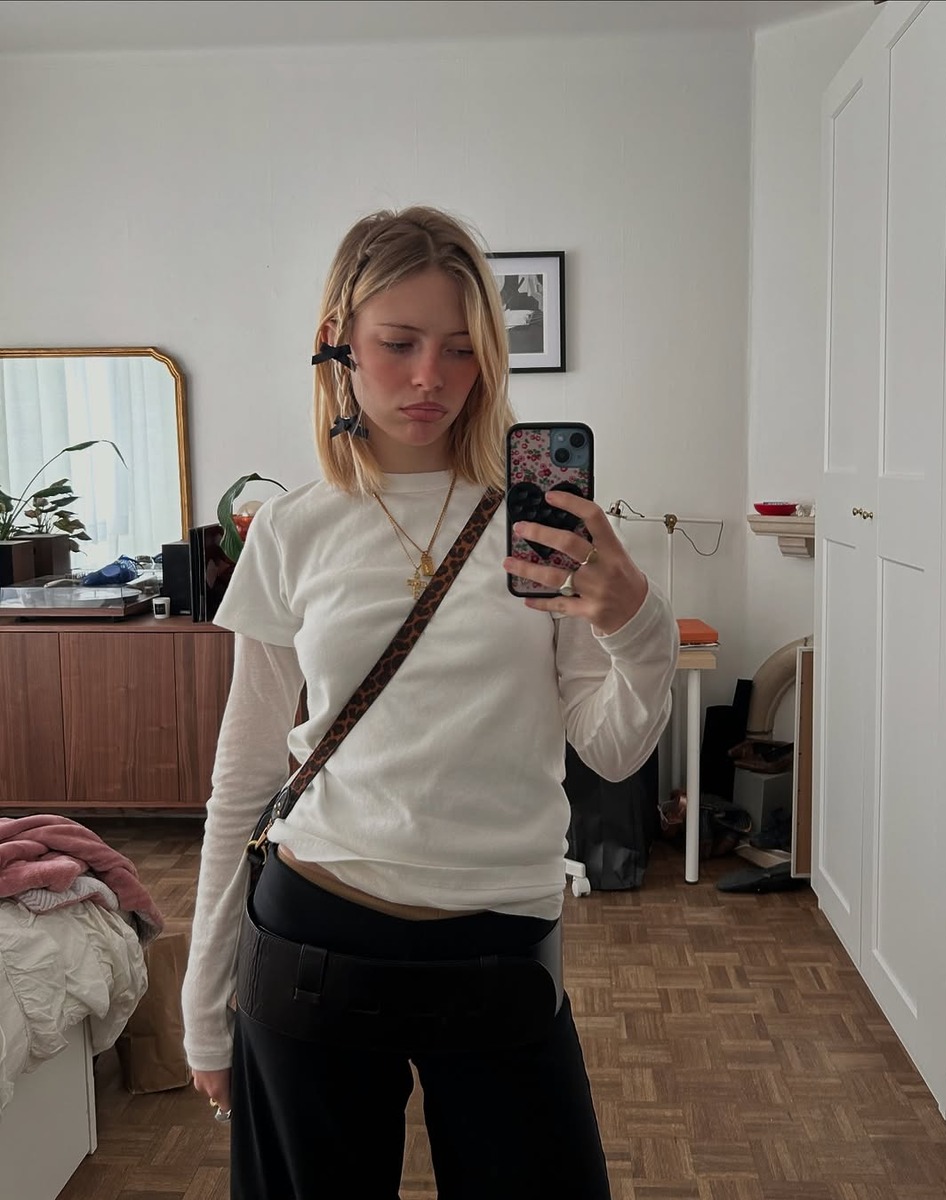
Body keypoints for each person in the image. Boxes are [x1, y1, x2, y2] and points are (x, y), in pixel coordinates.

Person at [182, 205, 679, 1200]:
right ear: (339, 342)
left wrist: (638, 623)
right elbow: (245, 776)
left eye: (460, 348)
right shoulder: (291, 528)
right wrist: (204, 1003)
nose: (430, 378)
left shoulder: (541, 519)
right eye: (398, 342)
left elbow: (615, 750)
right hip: (313, 927)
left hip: (499, 935)